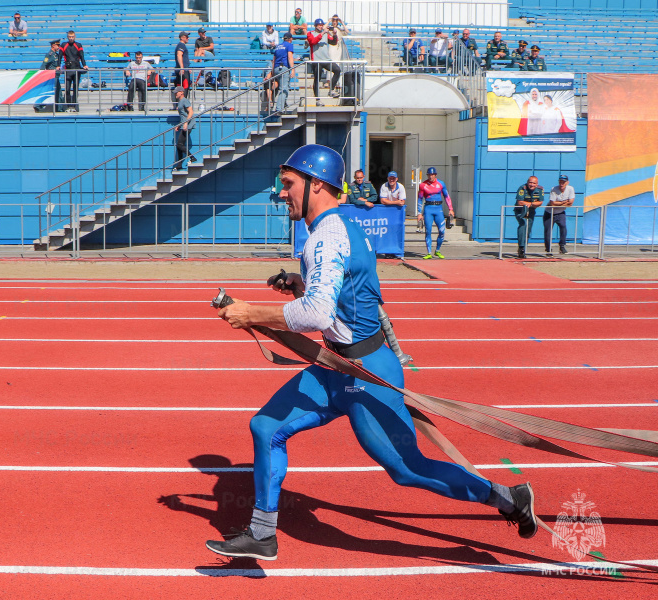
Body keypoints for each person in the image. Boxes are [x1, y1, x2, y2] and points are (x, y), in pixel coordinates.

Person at [205, 144, 538, 561]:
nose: (281, 192)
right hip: (337, 365)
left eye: (288, 184)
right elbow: (343, 300)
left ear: (316, 185)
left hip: (365, 372)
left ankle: (509, 498)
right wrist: (298, 282)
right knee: (266, 427)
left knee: (407, 469)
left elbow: (317, 312)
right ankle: (262, 533)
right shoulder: (335, 229)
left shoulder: (325, 239)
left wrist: (251, 312)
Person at [417, 167, 454, 259]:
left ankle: (437, 250)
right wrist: (419, 213)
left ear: (435, 175)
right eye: (429, 175)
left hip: (438, 209)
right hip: (428, 208)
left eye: (432, 175)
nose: (430, 176)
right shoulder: (423, 185)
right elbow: (420, 199)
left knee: (442, 231)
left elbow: (447, 196)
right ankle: (429, 252)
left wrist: (450, 209)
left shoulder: (441, 184)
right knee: (428, 231)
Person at [307, 19, 341, 104]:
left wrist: (335, 34)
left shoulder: (326, 34)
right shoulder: (310, 33)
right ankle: (317, 99)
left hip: (326, 59)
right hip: (316, 60)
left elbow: (333, 42)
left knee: (337, 70)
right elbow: (313, 41)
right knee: (317, 79)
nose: (321, 26)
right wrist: (322, 33)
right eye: (319, 25)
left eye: (322, 25)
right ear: (315, 26)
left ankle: (331, 90)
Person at [513, 176, 544, 258]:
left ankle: (523, 247)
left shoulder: (540, 189)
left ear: (537, 184)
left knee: (528, 229)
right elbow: (520, 202)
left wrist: (530, 204)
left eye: (534, 183)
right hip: (520, 210)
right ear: (527, 182)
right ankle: (521, 248)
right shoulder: (522, 188)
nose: (532, 185)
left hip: (531, 211)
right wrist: (531, 204)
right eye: (530, 182)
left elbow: (540, 202)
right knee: (523, 225)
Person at [543, 175, 574, 255]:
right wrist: (563, 203)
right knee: (548, 231)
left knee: (563, 227)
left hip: (561, 213)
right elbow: (552, 203)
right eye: (560, 181)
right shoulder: (554, 189)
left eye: (563, 182)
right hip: (549, 213)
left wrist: (559, 204)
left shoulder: (570, 189)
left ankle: (562, 246)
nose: (561, 183)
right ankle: (548, 249)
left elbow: (571, 202)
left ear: (567, 182)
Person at [60, 31, 87, 112]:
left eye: (72, 37)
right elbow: (60, 56)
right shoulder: (64, 45)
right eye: (69, 37)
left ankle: (75, 105)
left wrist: (84, 65)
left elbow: (82, 56)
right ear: (68, 37)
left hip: (76, 69)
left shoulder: (78, 45)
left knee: (75, 88)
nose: (71, 38)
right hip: (68, 69)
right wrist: (58, 65)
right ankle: (67, 105)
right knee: (67, 89)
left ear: (74, 37)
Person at [36, 39, 63, 112]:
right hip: (51, 76)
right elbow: (44, 64)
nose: (58, 47)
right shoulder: (50, 54)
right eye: (58, 45)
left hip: (56, 76)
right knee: (50, 91)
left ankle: (59, 107)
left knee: (58, 92)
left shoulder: (56, 55)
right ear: (53, 45)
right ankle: (38, 105)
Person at [272, 33, 295, 114]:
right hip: (283, 68)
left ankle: (283, 104)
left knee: (286, 86)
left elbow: (274, 60)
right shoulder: (289, 45)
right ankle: (278, 109)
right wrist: (293, 69)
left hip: (276, 68)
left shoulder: (278, 46)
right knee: (284, 88)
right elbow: (290, 57)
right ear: (290, 39)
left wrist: (272, 72)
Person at [173, 87, 195, 170]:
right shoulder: (180, 102)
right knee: (179, 146)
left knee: (179, 144)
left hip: (187, 125)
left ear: (181, 92)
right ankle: (179, 165)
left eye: (176, 92)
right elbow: (183, 116)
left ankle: (192, 157)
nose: (175, 94)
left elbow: (191, 111)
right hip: (184, 125)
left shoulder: (184, 100)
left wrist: (185, 123)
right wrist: (179, 125)